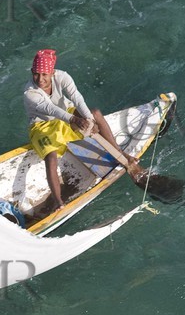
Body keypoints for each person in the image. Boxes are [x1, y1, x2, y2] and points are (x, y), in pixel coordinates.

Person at [24, 48, 147, 210]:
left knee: (95, 113)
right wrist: (76, 120)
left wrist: (88, 119)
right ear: (32, 72)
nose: (40, 79)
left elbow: (76, 97)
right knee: (51, 157)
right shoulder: (30, 93)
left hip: (66, 114)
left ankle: (120, 153)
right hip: (42, 126)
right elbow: (52, 110)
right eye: (36, 74)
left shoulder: (63, 77)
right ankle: (58, 202)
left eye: (44, 75)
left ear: (52, 72)